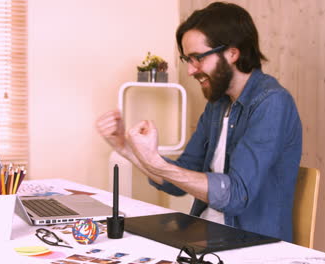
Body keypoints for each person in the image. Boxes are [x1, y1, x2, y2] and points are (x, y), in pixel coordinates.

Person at [96, 2, 302, 242]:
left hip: (247, 246)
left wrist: (155, 162)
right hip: (204, 235)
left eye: (197, 58)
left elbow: (236, 196)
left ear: (232, 53)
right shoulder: (218, 105)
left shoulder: (272, 103)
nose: (191, 70)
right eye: (187, 60)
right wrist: (125, 148)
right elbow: (179, 181)